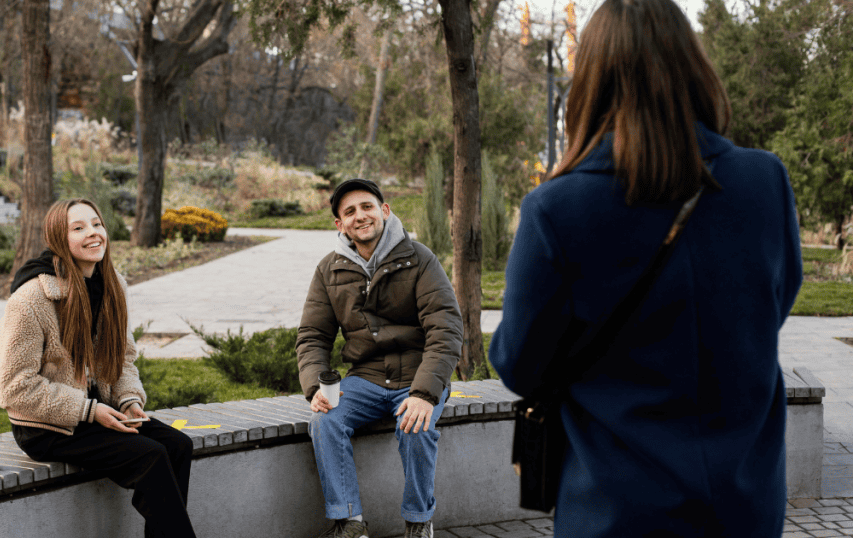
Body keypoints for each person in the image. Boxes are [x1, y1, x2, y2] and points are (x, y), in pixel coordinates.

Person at [488, 0, 803, 536]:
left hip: (616, 511)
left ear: (593, 80)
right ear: (693, 69)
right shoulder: (763, 182)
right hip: (745, 507)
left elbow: (520, 365)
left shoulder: (558, 208)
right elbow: (774, 304)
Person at [0, 199, 197, 538]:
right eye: (79, 228)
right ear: (59, 238)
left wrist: (129, 400)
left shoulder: (112, 285)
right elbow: (12, 388)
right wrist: (88, 411)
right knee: (151, 458)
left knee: (178, 446)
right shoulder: (31, 300)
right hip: (48, 425)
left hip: (99, 410)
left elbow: (123, 357)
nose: (93, 233)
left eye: (97, 224)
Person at [297, 178, 463, 538]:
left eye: (367, 206)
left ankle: (419, 523)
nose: (361, 216)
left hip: (419, 376)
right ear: (339, 224)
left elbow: (445, 329)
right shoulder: (329, 269)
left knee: (415, 425)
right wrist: (314, 387)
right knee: (325, 421)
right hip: (366, 378)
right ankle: (350, 522)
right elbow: (312, 336)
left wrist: (423, 393)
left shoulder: (419, 258)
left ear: (384, 211)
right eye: (349, 211)